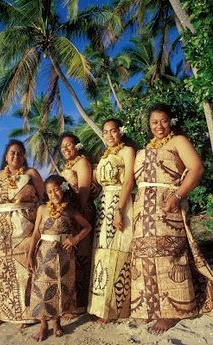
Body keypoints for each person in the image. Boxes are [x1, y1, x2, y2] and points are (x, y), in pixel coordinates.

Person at [130, 103, 213, 334]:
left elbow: (197, 168)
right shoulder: (145, 147)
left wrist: (177, 196)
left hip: (168, 208)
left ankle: (171, 312)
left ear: (171, 121)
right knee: (145, 258)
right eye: (154, 122)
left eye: (164, 121)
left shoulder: (178, 141)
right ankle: (153, 306)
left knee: (170, 257)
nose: (159, 126)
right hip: (144, 213)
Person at [0, 139, 44, 326]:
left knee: (25, 267)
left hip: (25, 228)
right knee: (1, 269)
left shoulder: (31, 173)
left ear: (24, 156)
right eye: (12, 153)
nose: (16, 156)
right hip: (1, 230)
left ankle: (25, 314)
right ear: (6, 156)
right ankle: (0, 311)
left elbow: (43, 200)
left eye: (19, 153)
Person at [27, 175, 91, 341]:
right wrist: (30, 255)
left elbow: (87, 227)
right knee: (42, 289)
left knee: (60, 289)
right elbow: (35, 234)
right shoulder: (42, 209)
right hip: (43, 255)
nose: (53, 194)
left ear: (62, 189)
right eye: (49, 192)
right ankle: (43, 325)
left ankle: (56, 322)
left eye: (56, 189)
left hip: (64, 256)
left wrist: (75, 239)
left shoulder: (70, 210)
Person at [88, 118, 135, 323]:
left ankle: (114, 309)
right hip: (103, 205)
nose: (109, 135)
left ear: (120, 132)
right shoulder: (105, 154)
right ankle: (98, 306)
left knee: (118, 252)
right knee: (102, 255)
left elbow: (128, 182)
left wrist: (119, 209)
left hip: (119, 203)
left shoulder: (127, 151)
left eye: (113, 131)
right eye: (106, 132)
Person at [60, 133, 96, 315]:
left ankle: (81, 303)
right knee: (72, 257)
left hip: (82, 213)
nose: (65, 149)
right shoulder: (68, 166)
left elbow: (83, 191)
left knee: (82, 256)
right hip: (71, 215)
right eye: (62, 147)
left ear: (77, 146)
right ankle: (72, 301)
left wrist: (77, 217)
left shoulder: (82, 163)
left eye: (69, 145)